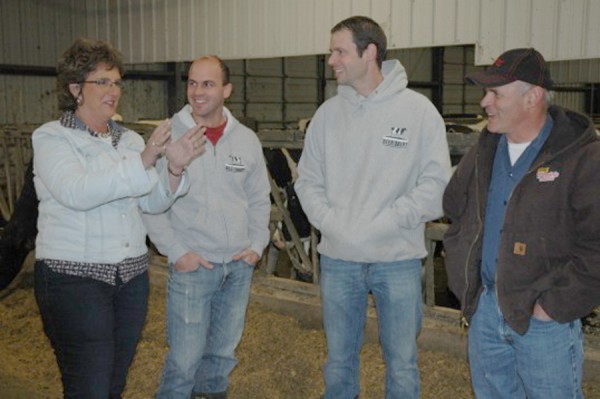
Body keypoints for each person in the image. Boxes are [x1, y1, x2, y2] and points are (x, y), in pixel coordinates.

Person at [32, 37, 205, 398]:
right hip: (73, 278)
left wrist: (173, 168)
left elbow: (151, 202)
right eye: (102, 82)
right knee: (89, 388)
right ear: (75, 88)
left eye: (116, 82)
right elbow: (76, 192)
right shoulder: (52, 138)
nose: (114, 91)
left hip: (129, 279)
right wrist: (144, 161)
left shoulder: (127, 140)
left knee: (113, 384)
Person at [294, 16, 452, 399]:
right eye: (332, 51)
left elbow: (436, 185)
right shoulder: (327, 117)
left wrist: (389, 220)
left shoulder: (418, 112)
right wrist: (332, 223)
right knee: (339, 361)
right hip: (338, 258)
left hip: (396, 258)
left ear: (370, 53)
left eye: (340, 51)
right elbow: (307, 180)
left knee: (401, 362)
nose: (331, 60)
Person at [443, 48, 600, 398]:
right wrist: (465, 274)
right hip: (486, 308)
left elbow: (596, 247)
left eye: (496, 93)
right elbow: (454, 204)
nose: (485, 102)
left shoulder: (581, 158)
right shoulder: (484, 149)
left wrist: (553, 307)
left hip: (543, 320)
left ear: (532, 97)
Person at [143, 55, 271, 399]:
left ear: (227, 90)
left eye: (208, 84)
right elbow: (148, 202)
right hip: (193, 266)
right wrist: (176, 252)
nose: (197, 92)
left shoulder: (245, 140)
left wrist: (257, 245)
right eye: (192, 83)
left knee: (221, 360)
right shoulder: (167, 135)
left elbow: (260, 199)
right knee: (184, 362)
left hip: (238, 268)